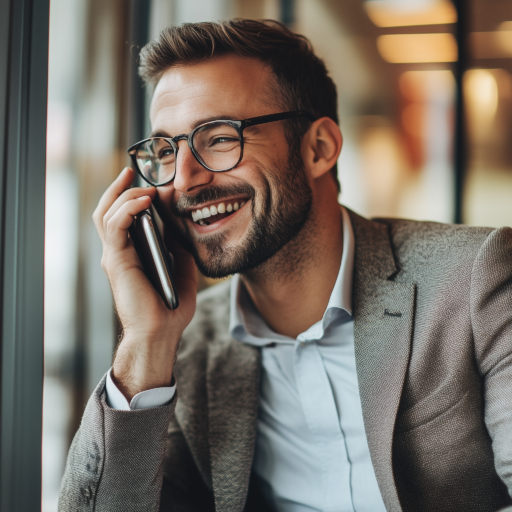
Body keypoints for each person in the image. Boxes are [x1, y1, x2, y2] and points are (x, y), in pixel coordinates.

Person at [59, 19, 512, 512]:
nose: (184, 181)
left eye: (218, 138)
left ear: (319, 148)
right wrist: (145, 342)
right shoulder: (183, 349)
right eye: (167, 151)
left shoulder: (476, 279)